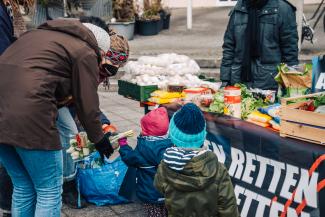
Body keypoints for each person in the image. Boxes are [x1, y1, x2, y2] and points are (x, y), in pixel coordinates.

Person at [0, 16, 129, 217]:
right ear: (99, 49)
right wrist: (99, 138)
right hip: (31, 120)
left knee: (23, 186)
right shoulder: (85, 50)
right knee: (49, 190)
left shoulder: (37, 35)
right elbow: (86, 102)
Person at [154, 103, 240, 217]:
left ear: (173, 136)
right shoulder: (219, 170)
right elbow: (229, 208)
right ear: (203, 135)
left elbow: (158, 187)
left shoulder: (165, 166)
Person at [220, 0, 299, 90]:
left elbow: (290, 51)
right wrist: (225, 80)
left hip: (270, 84)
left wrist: (290, 85)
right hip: (239, 84)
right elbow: (229, 47)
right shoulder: (239, 8)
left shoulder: (283, 9)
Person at [119, 107, 173, 217]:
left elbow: (129, 158)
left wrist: (124, 145)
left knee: (154, 214)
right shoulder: (171, 145)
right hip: (169, 192)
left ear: (146, 130)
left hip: (149, 193)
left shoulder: (142, 148)